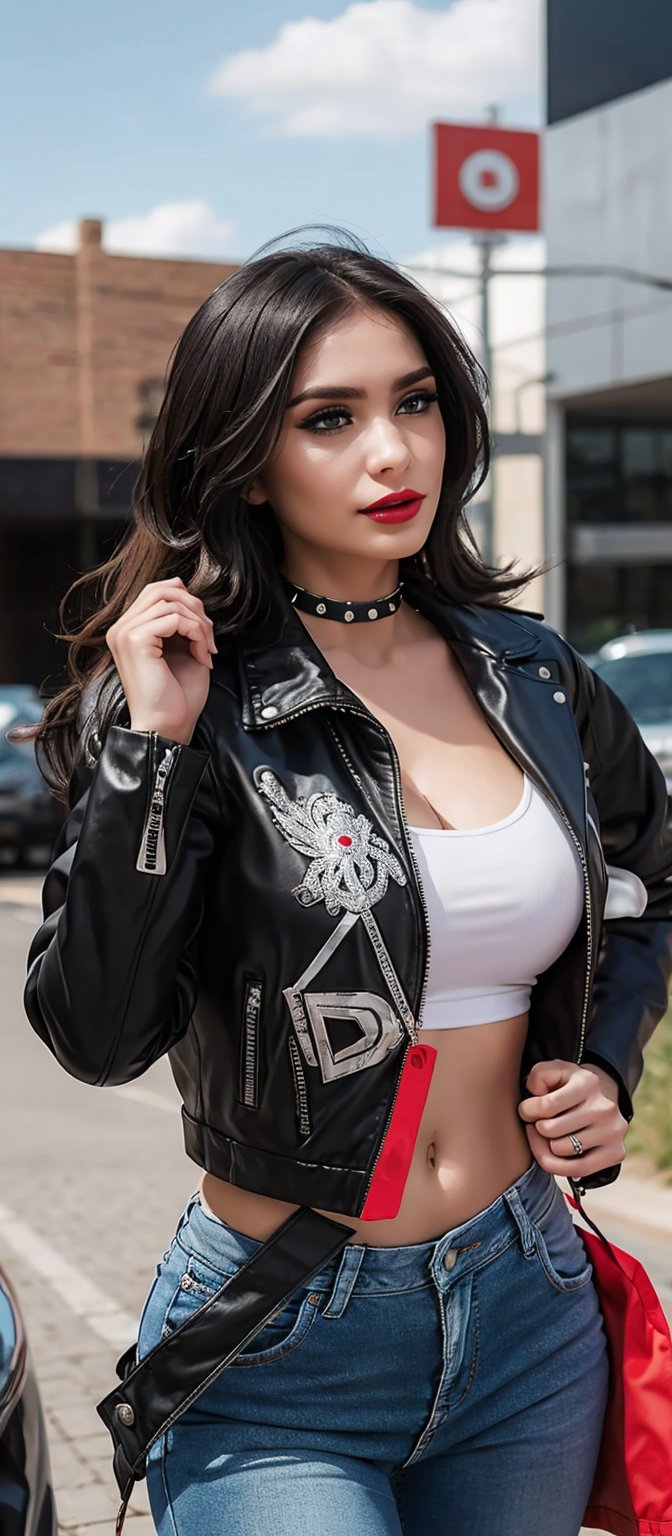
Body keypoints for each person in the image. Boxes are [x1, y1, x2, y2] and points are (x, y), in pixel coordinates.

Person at [21, 232, 672, 1536]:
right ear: (247, 459)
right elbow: (96, 1035)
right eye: (331, 418)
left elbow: (649, 883)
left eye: (415, 401)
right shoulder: (184, 699)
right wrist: (155, 757)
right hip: (279, 1333)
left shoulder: (532, 676)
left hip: (525, 1304)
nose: (394, 452)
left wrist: (602, 1065)